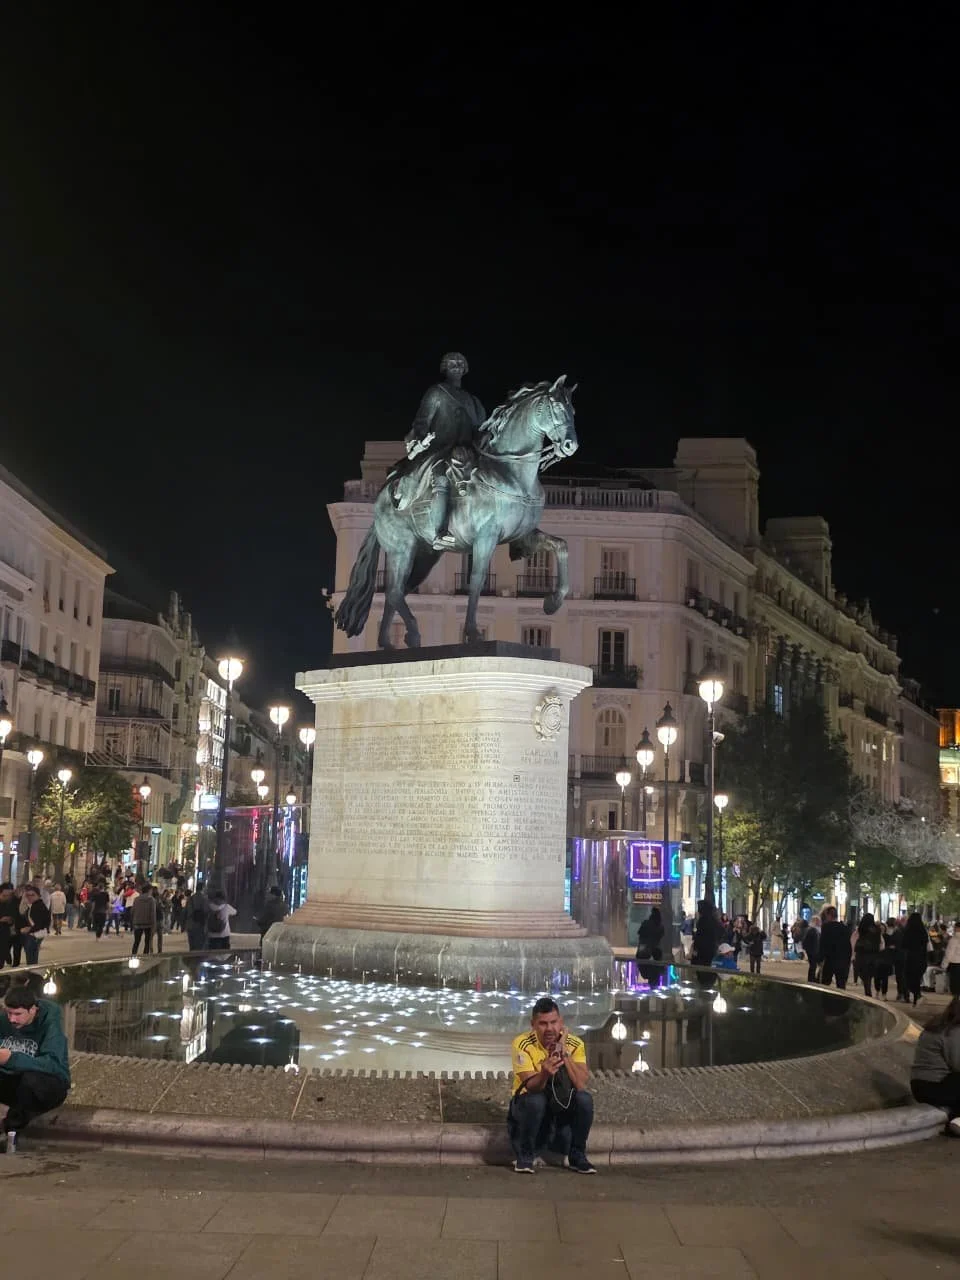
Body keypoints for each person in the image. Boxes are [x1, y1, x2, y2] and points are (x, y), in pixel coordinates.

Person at [387, 351, 487, 549]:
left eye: (460, 363)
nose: (456, 365)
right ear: (445, 368)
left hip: (468, 451)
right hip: (441, 449)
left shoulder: (473, 401)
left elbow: (479, 429)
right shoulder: (437, 393)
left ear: (465, 368)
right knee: (441, 477)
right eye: (452, 363)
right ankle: (440, 532)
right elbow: (422, 422)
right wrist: (420, 440)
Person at [508, 996, 594, 1174]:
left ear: (561, 1022)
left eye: (553, 1022)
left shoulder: (575, 1044)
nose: (549, 1029)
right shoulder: (522, 1044)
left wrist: (564, 1054)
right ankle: (525, 1156)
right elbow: (531, 1087)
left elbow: (580, 1084)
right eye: (543, 1023)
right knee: (536, 1100)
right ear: (533, 1024)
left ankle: (577, 1155)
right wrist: (544, 1073)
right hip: (528, 1105)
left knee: (585, 1100)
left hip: (560, 1104)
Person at [0, 984, 71, 1153]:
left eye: (18, 1014)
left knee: (30, 1080)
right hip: (14, 1081)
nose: (12, 1019)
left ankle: (11, 1131)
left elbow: (52, 1064)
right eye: (9, 1013)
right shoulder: (4, 1021)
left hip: (49, 1085)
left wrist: (11, 1059)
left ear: (33, 1010)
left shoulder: (50, 1025)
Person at [910, 997, 960, 1137]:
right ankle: (957, 1121)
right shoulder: (953, 1031)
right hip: (935, 1086)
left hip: (921, 1085)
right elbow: (957, 1064)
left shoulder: (939, 1025)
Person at [15, 885, 50, 967]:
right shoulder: (34, 905)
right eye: (28, 895)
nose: (30, 897)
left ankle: (33, 976)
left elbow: (40, 924)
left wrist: (28, 929)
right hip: (34, 934)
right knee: (32, 958)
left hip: (34, 935)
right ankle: (33, 975)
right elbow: (22, 913)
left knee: (31, 960)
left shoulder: (38, 906)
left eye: (33, 895)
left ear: (38, 895)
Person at [819, 906, 852, 990]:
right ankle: (841, 1002)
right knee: (841, 984)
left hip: (830, 959)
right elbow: (848, 945)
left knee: (825, 983)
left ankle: (825, 1000)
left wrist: (820, 958)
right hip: (842, 959)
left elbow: (823, 944)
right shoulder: (844, 928)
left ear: (828, 915)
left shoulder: (826, 927)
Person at [901, 912, 929, 1006]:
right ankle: (917, 997)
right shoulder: (923, 931)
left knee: (909, 978)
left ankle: (916, 995)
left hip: (910, 958)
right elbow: (925, 945)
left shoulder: (908, 931)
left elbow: (903, 944)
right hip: (921, 958)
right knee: (917, 978)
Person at [854, 911, 883, 998]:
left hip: (862, 954)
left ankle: (868, 991)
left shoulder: (862, 928)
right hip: (874, 955)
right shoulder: (877, 929)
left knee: (864, 974)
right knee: (869, 975)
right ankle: (868, 989)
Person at [634, 907, 664, 986]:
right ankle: (654, 988)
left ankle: (652, 988)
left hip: (643, 952)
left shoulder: (646, 924)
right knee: (654, 974)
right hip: (653, 952)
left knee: (647, 971)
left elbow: (640, 935)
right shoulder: (660, 927)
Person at [130, 883, 158, 955]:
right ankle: (145, 957)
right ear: (149, 890)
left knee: (136, 941)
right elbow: (153, 914)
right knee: (147, 942)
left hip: (137, 923)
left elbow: (132, 911)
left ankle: (133, 955)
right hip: (148, 924)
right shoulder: (151, 900)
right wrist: (154, 925)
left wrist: (133, 921)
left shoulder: (136, 899)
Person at [690, 899, 719, 968]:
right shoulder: (713, 920)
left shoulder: (703, 921)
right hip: (710, 949)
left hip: (703, 951)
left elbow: (699, 937)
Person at [185, 887, 209, 951]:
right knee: (200, 946)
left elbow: (185, 912)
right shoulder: (205, 899)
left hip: (190, 924)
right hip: (200, 926)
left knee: (192, 945)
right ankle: (198, 959)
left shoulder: (190, 899)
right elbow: (206, 912)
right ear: (203, 889)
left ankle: (192, 958)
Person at [943, 921, 960, 998]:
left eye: (954, 927)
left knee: (955, 986)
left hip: (955, 965)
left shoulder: (954, 940)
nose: (953, 929)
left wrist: (944, 965)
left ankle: (956, 1004)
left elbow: (949, 954)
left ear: (957, 928)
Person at [802, 916, 821, 983]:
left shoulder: (814, 930)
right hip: (812, 951)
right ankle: (811, 979)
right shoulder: (812, 930)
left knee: (814, 965)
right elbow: (806, 941)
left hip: (813, 950)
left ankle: (812, 978)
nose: (820, 922)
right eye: (818, 921)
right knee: (813, 965)